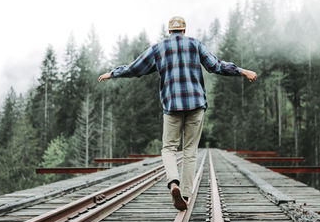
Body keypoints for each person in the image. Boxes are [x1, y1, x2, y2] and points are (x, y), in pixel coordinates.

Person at [98, 16, 257, 211]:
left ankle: (174, 182)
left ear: (169, 31)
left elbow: (135, 68)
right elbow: (216, 66)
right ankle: (186, 195)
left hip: (172, 106)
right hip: (196, 104)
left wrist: (113, 73)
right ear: (183, 30)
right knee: (190, 151)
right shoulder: (195, 44)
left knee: (169, 148)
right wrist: (242, 71)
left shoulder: (159, 48)